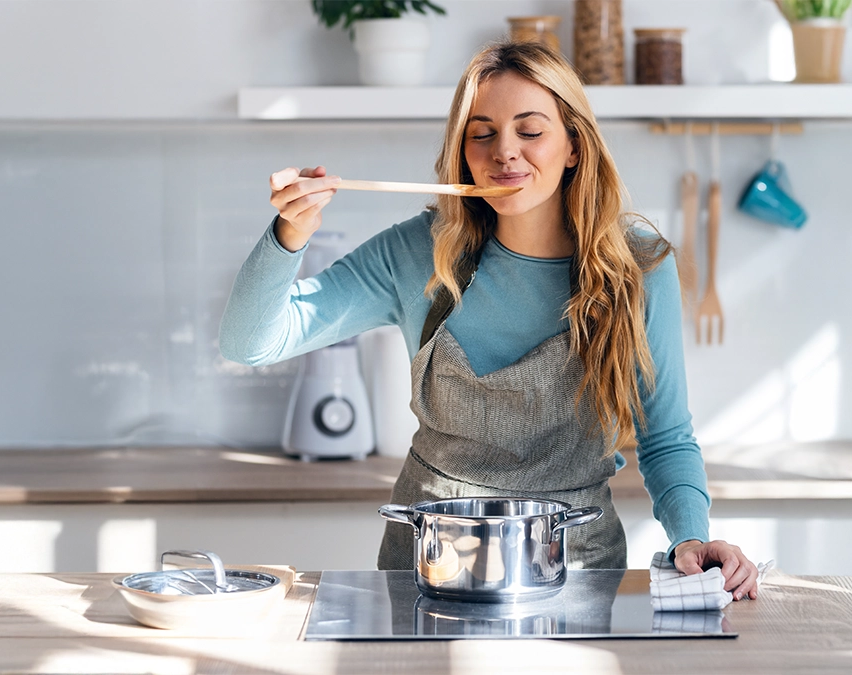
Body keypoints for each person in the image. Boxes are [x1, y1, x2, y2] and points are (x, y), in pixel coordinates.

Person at [220, 41, 759, 600]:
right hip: (428, 570)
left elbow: (666, 436)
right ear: (462, 150)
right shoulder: (416, 254)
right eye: (482, 133)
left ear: (574, 145)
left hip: (575, 571)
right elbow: (249, 343)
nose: (505, 152)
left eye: (530, 131)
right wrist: (289, 235)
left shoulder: (638, 264)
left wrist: (690, 538)